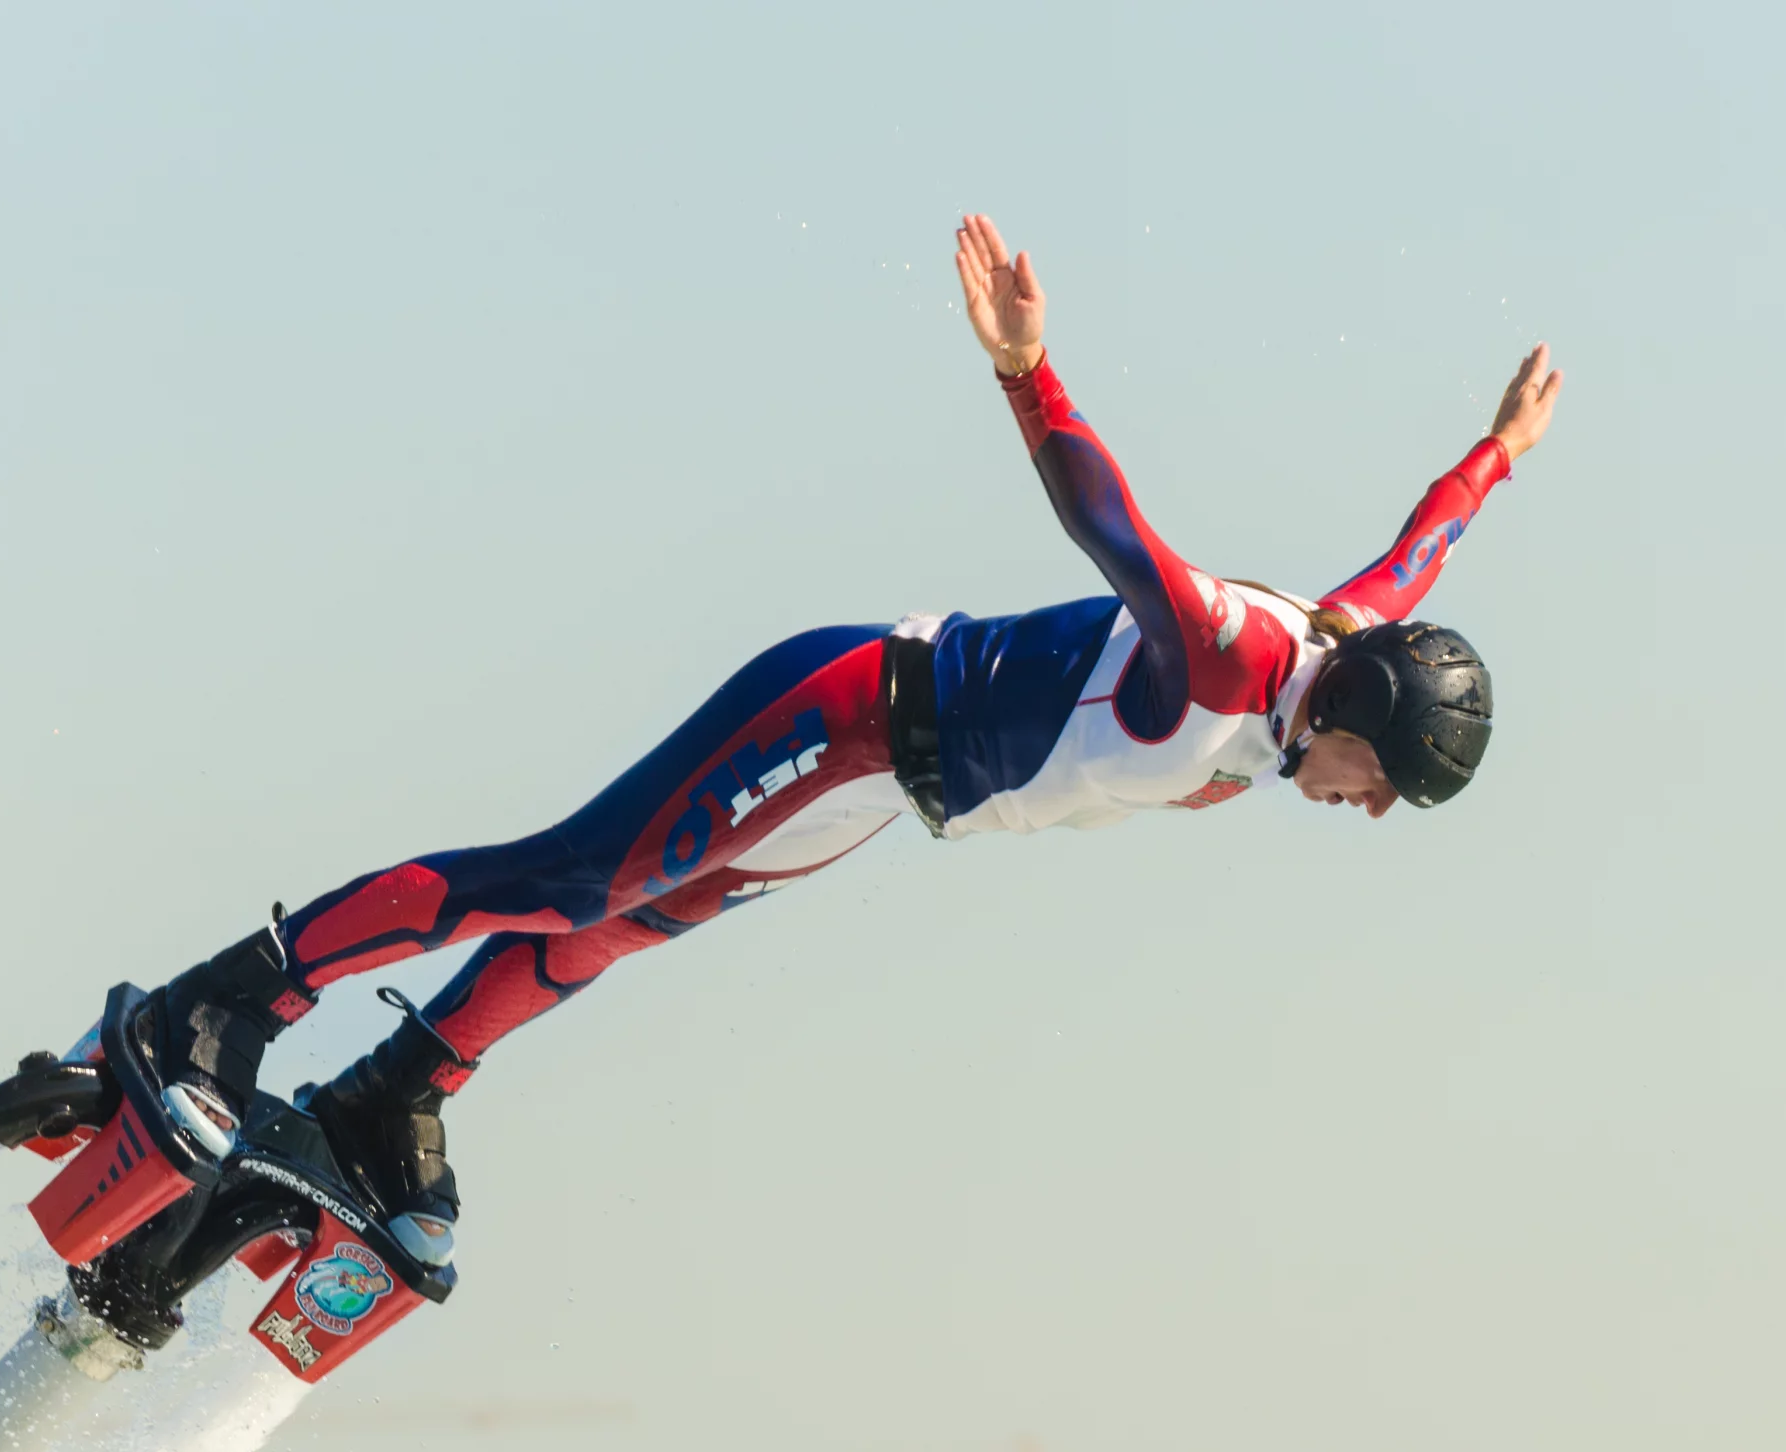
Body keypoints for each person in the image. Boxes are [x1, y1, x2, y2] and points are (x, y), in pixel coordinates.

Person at [108, 214, 1563, 1248]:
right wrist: (1024, 371)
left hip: (880, 799)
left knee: (627, 927)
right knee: (573, 879)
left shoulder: (1342, 648)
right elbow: (1113, 527)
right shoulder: (1242, 655)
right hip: (853, 710)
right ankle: (232, 999)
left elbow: (1421, 549)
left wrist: (1497, 452)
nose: (1370, 811)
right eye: (1388, 788)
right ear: (1362, 721)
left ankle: (392, 1095)